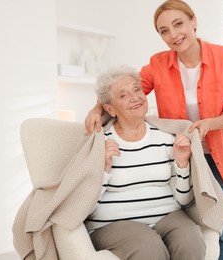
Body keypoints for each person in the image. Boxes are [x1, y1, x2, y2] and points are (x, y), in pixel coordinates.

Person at [84, 1, 223, 259]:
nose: (173, 35)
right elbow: (125, 89)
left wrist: (209, 124)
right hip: (184, 154)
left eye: (178, 24)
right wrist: (97, 108)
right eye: (164, 31)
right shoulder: (158, 64)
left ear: (193, 21)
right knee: (197, 224)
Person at [85, 64, 205, 259]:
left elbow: (184, 200)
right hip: (113, 224)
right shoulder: (101, 143)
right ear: (109, 109)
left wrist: (182, 165)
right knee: (149, 248)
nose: (135, 97)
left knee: (191, 241)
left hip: (167, 216)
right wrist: (105, 169)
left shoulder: (166, 138)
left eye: (137, 89)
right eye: (123, 95)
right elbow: (85, 206)